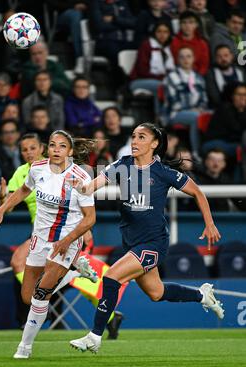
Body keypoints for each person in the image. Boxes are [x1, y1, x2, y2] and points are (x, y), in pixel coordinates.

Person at [69, 122, 224, 353]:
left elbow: (197, 192)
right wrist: (79, 185)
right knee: (156, 292)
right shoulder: (122, 166)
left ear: (154, 144)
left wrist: (209, 223)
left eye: (142, 137)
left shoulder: (163, 172)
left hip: (153, 244)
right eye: (133, 136)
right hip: (131, 242)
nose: (134, 141)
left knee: (111, 278)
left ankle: (95, 336)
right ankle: (202, 295)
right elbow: (90, 188)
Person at [0, 130, 97, 359]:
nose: (56, 150)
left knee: (40, 296)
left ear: (70, 151)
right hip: (39, 239)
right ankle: (75, 273)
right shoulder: (37, 168)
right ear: (47, 148)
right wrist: (0, 210)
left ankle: (24, 347)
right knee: (29, 297)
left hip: (66, 242)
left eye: (62, 146)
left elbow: (90, 218)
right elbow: (24, 190)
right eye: (52, 145)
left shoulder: (81, 177)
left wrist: (68, 240)